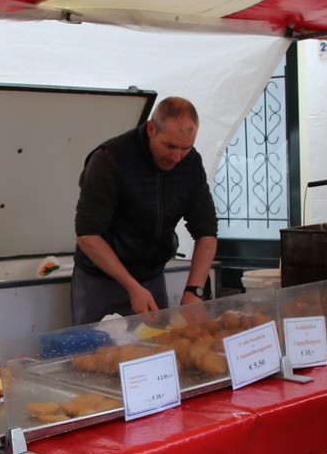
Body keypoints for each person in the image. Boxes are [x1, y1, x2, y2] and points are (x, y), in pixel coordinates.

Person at [71, 96, 218, 324]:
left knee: (156, 343)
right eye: (169, 146)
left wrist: (194, 290)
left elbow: (207, 232)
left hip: (152, 276)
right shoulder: (110, 159)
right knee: (99, 346)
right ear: (151, 129)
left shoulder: (190, 164)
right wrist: (132, 287)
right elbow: (88, 236)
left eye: (186, 148)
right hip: (101, 280)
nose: (177, 157)